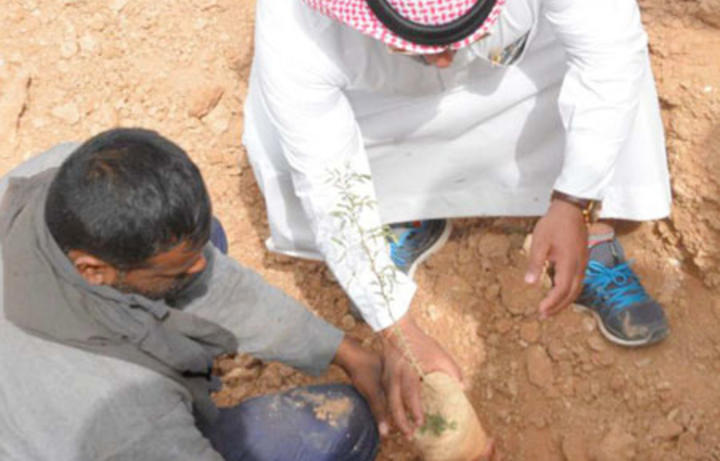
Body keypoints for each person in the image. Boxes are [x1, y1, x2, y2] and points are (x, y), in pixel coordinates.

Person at [243, 0, 672, 437]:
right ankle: (401, 213)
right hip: (382, 110)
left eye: (463, 32)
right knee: (285, 140)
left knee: (621, 81)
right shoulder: (297, 23)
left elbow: (608, 56)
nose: (443, 60)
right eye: (411, 44)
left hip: (523, 78)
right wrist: (395, 327)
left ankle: (593, 229)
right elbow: (327, 181)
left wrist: (574, 201)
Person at [0, 129, 384, 461]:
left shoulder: (63, 173)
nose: (201, 267)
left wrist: (344, 351)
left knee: (197, 235)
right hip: (77, 431)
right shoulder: (126, 413)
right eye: (179, 270)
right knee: (341, 425)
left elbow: (220, 287)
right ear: (93, 269)